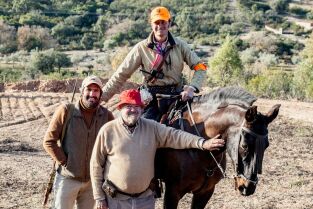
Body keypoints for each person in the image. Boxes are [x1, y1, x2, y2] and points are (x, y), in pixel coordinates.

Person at [90, 89, 225, 209]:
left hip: (144, 201)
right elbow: (96, 165)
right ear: (120, 108)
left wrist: (202, 143)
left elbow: (176, 136)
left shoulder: (151, 127)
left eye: (137, 106)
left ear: (142, 109)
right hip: (115, 201)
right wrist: (99, 197)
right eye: (129, 106)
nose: (133, 110)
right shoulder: (108, 130)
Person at [101, 6, 208, 121]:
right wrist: (102, 98)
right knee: (142, 130)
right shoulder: (141, 48)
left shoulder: (180, 45)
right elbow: (121, 74)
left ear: (169, 23)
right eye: (156, 22)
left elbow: (200, 67)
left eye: (163, 22)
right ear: (151, 24)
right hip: (151, 100)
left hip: (177, 96)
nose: (160, 26)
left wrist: (192, 87)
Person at [43, 75, 114, 209]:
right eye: (89, 89)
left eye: (96, 90)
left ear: (100, 94)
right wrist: (65, 162)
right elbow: (49, 141)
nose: (92, 94)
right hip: (67, 178)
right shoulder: (66, 111)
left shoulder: (106, 116)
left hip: (93, 182)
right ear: (82, 91)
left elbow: (115, 143)